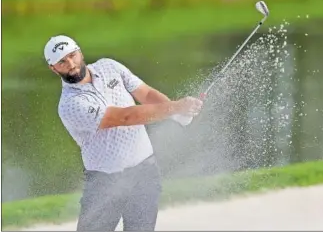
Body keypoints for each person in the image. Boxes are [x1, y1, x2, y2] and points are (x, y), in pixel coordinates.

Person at [44, 35, 203, 231]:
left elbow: (145, 93)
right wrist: (175, 108)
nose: (71, 64)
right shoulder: (70, 104)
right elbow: (125, 117)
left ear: (80, 52)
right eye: (62, 61)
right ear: (53, 68)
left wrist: (177, 113)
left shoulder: (109, 66)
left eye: (72, 55)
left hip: (145, 171)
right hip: (104, 183)